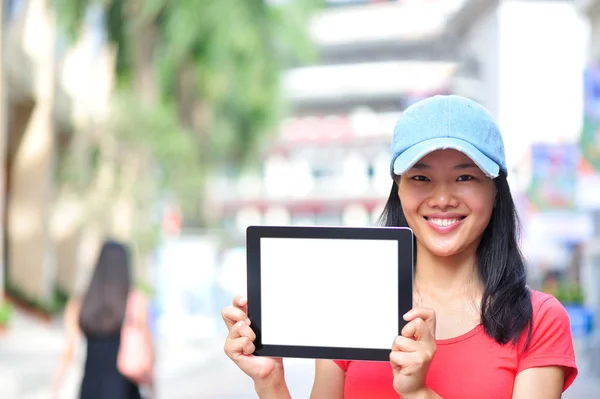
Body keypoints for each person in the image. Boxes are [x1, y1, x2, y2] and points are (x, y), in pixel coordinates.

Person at [221, 95, 578, 398]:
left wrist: (419, 392)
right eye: (420, 178)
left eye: (465, 176)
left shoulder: (539, 321)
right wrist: (270, 383)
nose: (441, 198)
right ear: (399, 189)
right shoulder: (348, 306)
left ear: (496, 191)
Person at [52, 240, 154, 399]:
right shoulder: (135, 302)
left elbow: (68, 351)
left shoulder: (80, 303)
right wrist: (152, 386)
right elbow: (147, 347)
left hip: (90, 388)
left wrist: (56, 388)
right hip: (125, 388)